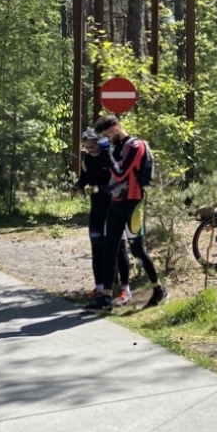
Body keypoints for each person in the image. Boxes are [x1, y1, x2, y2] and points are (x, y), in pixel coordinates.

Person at [85, 115, 166, 311]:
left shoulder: (135, 147)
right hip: (117, 203)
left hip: (133, 205)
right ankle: (105, 298)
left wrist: (107, 154)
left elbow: (121, 173)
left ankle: (158, 289)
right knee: (109, 248)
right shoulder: (116, 148)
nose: (106, 140)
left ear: (114, 129)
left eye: (106, 135)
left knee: (137, 250)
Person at [71, 128, 129, 300]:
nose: (91, 150)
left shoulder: (109, 156)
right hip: (96, 210)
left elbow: (120, 180)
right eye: (87, 147)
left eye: (93, 146)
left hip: (115, 209)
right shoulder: (88, 160)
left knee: (119, 249)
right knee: (97, 249)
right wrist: (76, 187)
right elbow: (84, 178)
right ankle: (100, 287)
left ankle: (125, 289)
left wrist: (99, 188)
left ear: (99, 142)